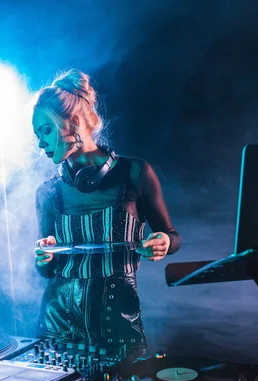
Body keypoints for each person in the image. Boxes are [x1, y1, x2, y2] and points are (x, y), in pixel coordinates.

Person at [32, 68, 181, 356]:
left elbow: (173, 237)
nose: (40, 143)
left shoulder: (135, 173)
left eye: (46, 130)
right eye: (37, 135)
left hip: (119, 325)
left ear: (73, 122)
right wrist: (43, 256)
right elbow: (47, 269)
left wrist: (164, 240)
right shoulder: (47, 192)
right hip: (56, 327)